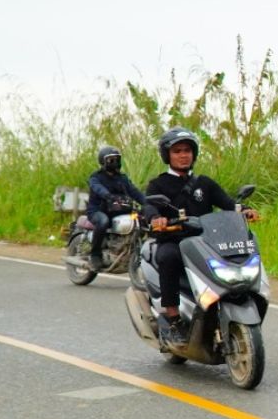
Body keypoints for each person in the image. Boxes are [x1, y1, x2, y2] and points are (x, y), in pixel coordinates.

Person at [142, 127, 257, 346]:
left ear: (194, 153)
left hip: (206, 241)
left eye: (187, 150)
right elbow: (149, 207)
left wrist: (244, 210)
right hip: (174, 240)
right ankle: (173, 318)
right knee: (168, 258)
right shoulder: (158, 184)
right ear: (168, 155)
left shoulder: (204, 183)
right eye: (177, 151)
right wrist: (157, 218)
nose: (183, 155)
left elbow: (228, 204)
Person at [85, 146, 147, 271]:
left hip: (117, 210)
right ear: (103, 161)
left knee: (141, 219)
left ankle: (126, 248)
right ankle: (95, 255)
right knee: (103, 222)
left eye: (117, 159)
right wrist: (108, 196)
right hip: (98, 210)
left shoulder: (122, 178)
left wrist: (148, 203)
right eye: (111, 160)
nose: (115, 163)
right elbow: (97, 188)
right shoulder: (96, 177)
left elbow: (134, 191)